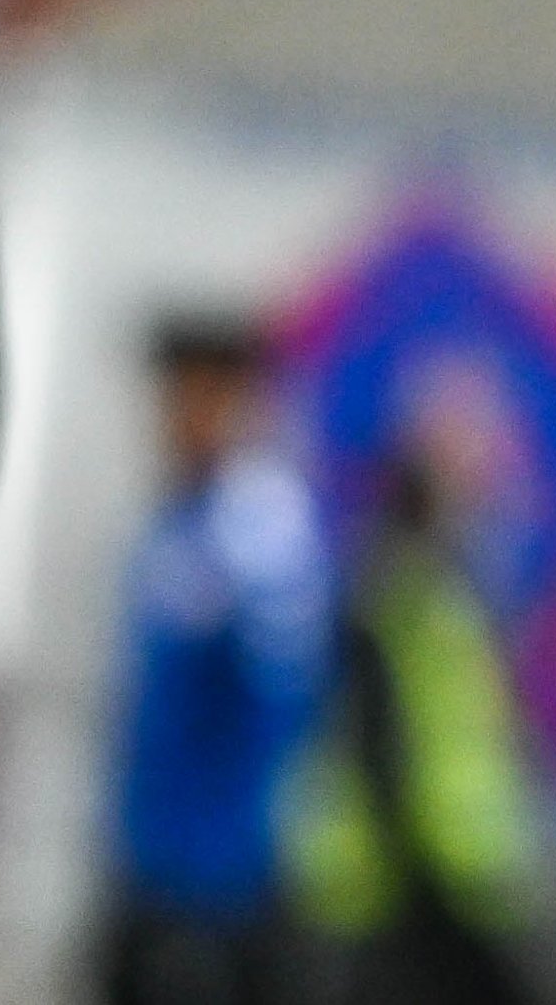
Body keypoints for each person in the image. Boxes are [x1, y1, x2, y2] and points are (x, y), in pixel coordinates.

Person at [105, 319, 334, 1005]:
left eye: (206, 397)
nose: (183, 417)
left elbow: (285, 703)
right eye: (176, 398)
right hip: (151, 864)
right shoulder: (174, 520)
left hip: (228, 884)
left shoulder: (261, 531)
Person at [287, 456, 540, 1005]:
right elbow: (376, 743)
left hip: (451, 864)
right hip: (415, 874)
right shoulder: (395, 600)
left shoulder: (437, 592)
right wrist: (415, 864)